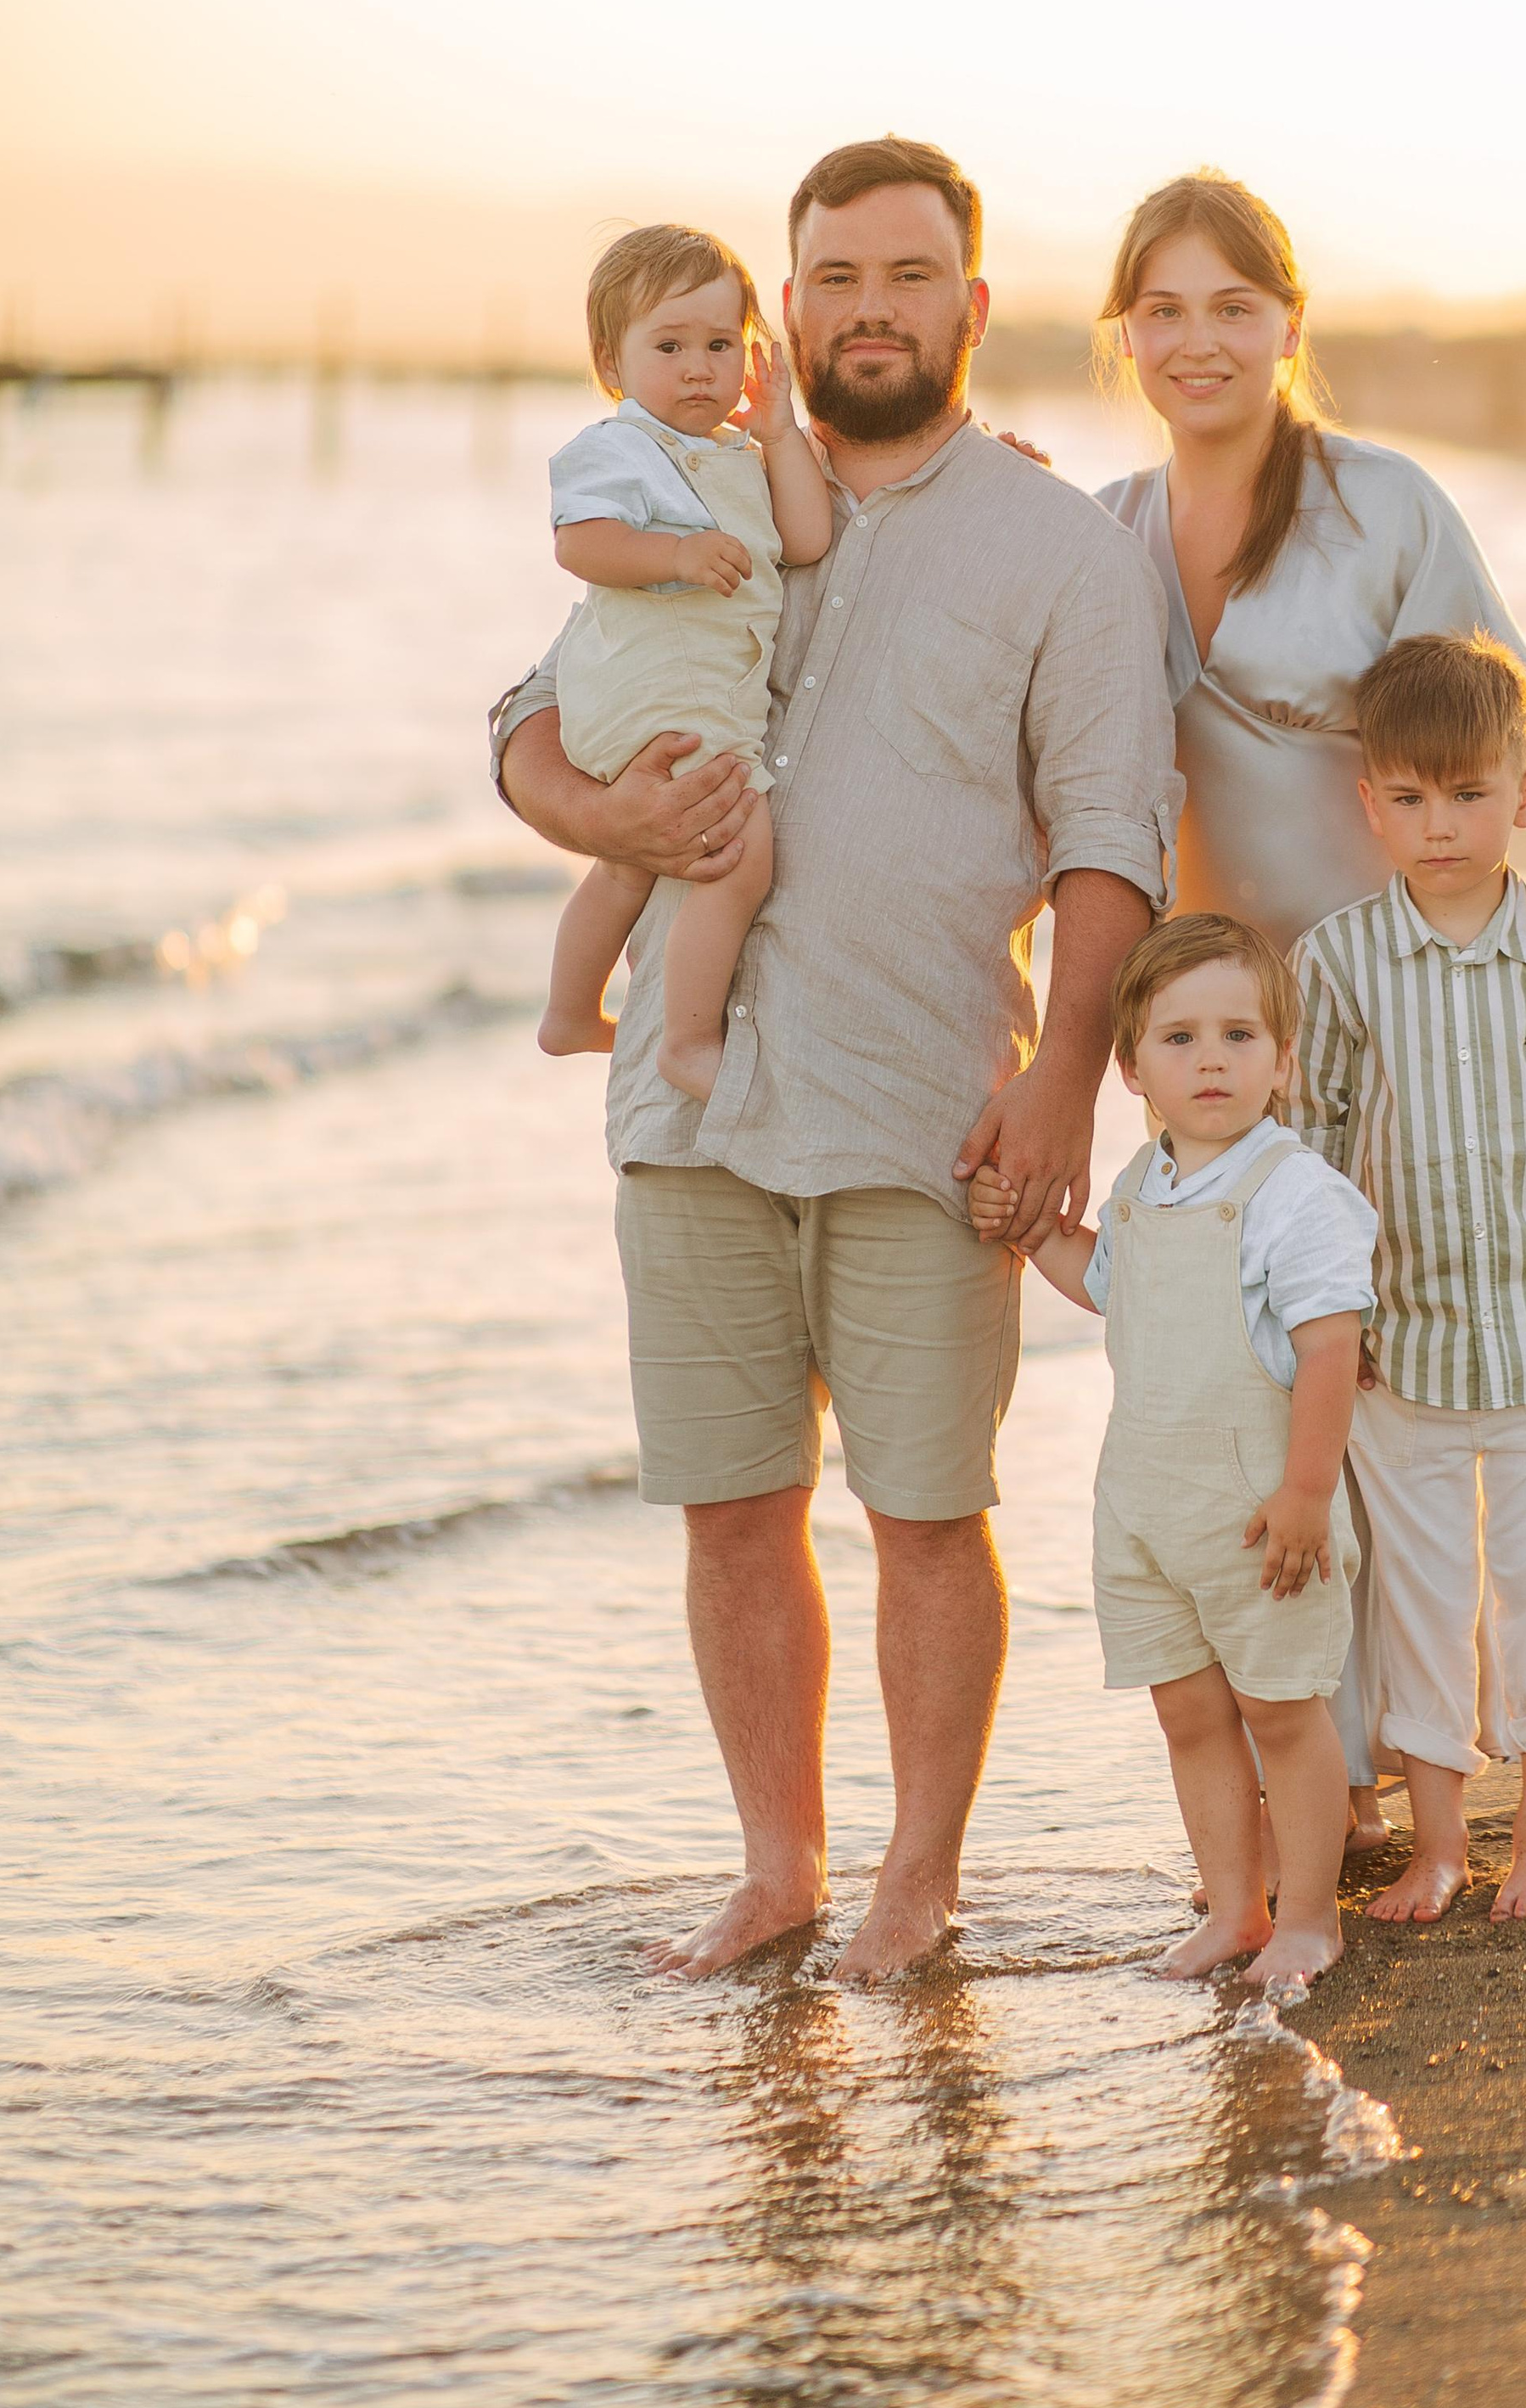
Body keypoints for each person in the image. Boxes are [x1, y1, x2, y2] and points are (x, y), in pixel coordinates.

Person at [490, 134, 1179, 1982]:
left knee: (928, 1513)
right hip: (689, 1099)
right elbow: (534, 707)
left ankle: (918, 1876)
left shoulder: (1056, 547)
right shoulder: (690, 476)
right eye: (835, 280)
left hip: (924, 1097)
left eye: (908, 276)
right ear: (785, 308)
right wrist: (574, 804)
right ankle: (779, 1865)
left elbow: (1114, 840)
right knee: (728, 1507)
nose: (871, 310)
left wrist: (1062, 1093)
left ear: (969, 301)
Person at [1094, 167, 1526, 1853]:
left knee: (1381, 1385)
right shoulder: (1101, 533)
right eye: (1162, 311)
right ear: (1122, 334)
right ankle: (1305, 1768)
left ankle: (1419, 1782)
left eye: (1230, 308)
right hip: (1220, 1048)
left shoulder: (1378, 506)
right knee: (1258, 1390)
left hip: (1402, 1020)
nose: (1197, 343)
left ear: (1286, 324)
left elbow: (1524, 721)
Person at [1291, 631, 1526, 1920]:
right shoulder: (1335, 963)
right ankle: (1443, 1846)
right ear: (1368, 804)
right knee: (1422, 1596)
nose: (1438, 826)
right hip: (1406, 1353)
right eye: (1408, 798)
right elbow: (1319, 1155)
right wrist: (1329, 1326)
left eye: (1467, 795)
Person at [970, 915, 1377, 1988]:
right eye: (1180, 1038)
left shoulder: (1298, 1196)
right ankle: (1234, 1911)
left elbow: (1330, 1352)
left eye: (1240, 1036)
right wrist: (1028, 1228)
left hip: (1259, 1511)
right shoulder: (1145, 1183)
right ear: (1132, 1068)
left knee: (1281, 1716)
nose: (1211, 1060)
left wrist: (1305, 1492)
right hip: (1146, 1508)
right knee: (1190, 1715)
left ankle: (1307, 1920)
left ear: (1283, 1061)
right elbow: (1107, 1284)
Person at [538, 223, 833, 1091]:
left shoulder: (743, 455)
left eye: (720, 344)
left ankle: (568, 1012)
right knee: (739, 850)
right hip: (651, 697)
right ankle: (686, 1038)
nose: (700, 367)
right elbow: (580, 544)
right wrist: (672, 556)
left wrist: (780, 433)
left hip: (686, 703)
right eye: (669, 346)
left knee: (631, 860)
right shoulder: (620, 447)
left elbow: (807, 540)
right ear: (611, 361)